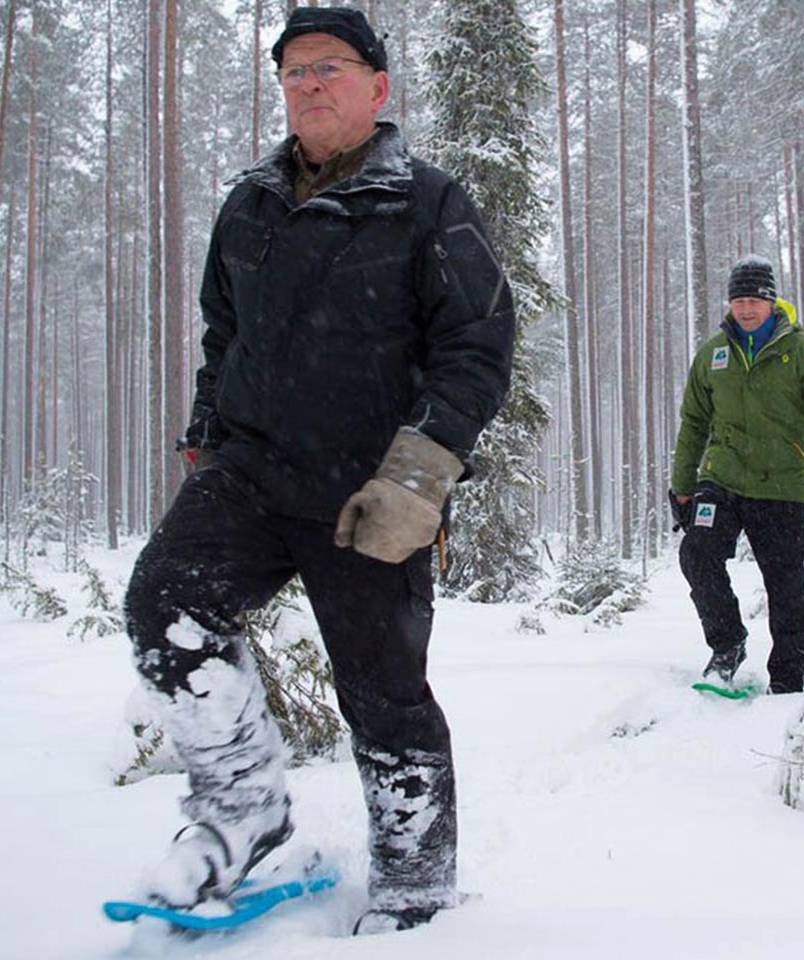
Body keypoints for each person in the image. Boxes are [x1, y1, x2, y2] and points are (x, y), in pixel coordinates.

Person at [122, 6, 514, 935]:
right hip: (254, 470)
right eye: (294, 71)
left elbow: (477, 344)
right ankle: (242, 805)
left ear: (378, 89)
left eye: (330, 67)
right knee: (165, 601)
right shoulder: (250, 204)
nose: (309, 85)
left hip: (370, 488)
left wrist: (418, 475)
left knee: (384, 695)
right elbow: (228, 333)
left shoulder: (429, 204)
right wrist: (207, 430)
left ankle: (414, 895)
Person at [669, 255, 804, 695]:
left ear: (772, 302)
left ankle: (790, 674)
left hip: (780, 485)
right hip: (722, 477)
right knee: (696, 554)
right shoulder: (713, 353)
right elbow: (694, 421)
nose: (746, 309)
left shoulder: (802, 352)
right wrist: (681, 485)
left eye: (755, 299)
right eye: (739, 300)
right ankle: (727, 645)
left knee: (785, 580)